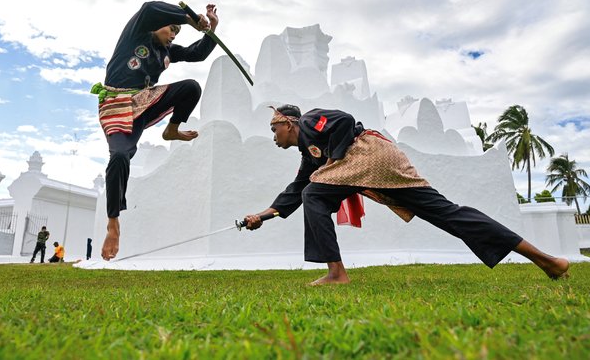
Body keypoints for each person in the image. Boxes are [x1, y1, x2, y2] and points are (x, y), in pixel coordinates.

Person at [243, 105, 571, 285]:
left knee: (315, 191)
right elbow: (294, 192)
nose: (273, 135)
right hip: (380, 163)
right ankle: (548, 261)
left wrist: (333, 159)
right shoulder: (309, 156)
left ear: (288, 123)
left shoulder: (312, 121)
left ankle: (336, 273)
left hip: (370, 155)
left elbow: (343, 120)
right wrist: (263, 215)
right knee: (448, 214)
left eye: (274, 128)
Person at [93, 1, 219, 261]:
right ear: (156, 27)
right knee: (119, 156)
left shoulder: (168, 51)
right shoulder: (136, 33)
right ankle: (113, 221)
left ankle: (172, 130)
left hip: (146, 101)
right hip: (117, 105)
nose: (173, 34)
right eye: (170, 28)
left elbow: (197, 53)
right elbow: (150, 8)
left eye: (177, 31)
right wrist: (190, 18)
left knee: (191, 87)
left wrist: (210, 31)